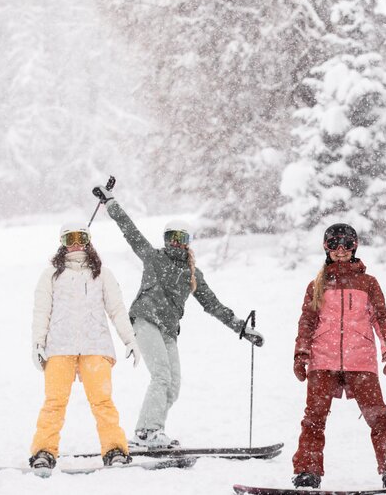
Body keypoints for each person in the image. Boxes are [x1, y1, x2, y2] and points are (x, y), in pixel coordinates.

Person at [92, 185, 264, 449]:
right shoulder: (153, 258)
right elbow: (131, 231)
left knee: (173, 386)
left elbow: (213, 305)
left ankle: (148, 432)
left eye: (181, 238)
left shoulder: (192, 274)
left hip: (168, 330)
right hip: (145, 320)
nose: (176, 242)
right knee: (161, 376)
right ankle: (149, 432)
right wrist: (111, 203)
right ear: (165, 239)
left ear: (188, 242)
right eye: (172, 237)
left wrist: (241, 328)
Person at [290, 224, 386, 489]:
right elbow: (307, 321)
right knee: (314, 419)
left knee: (378, 417)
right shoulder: (317, 285)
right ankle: (307, 472)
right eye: (334, 244)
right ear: (326, 248)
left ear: (355, 246)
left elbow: (381, 318)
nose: (341, 250)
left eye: (346, 244)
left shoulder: (368, 283)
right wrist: (301, 354)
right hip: (323, 360)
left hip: (361, 361)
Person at [29, 223, 142, 470]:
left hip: (96, 346)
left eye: (81, 237)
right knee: (54, 402)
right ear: (63, 242)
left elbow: (117, 309)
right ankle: (44, 452)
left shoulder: (102, 274)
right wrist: (38, 343)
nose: (76, 243)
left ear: (89, 240)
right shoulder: (50, 274)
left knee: (103, 401)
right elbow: (41, 311)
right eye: (70, 239)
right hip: (59, 347)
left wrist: (129, 339)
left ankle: (114, 450)